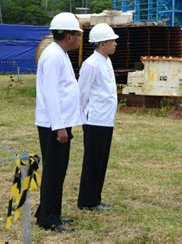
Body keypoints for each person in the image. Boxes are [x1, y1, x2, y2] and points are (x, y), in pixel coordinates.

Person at [35, 12, 83, 232]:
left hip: (59, 122)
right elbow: (51, 94)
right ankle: (49, 218)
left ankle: (50, 211)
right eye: (78, 34)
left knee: (58, 170)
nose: (80, 39)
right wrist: (59, 127)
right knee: (54, 171)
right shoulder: (53, 56)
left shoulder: (59, 53)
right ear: (69, 35)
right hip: (54, 125)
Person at [77, 23, 119, 211]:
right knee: (92, 161)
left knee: (101, 161)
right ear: (103, 43)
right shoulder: (91, 64)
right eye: (112, 41)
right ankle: (87, 200)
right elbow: (82, 94)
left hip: (106, 120)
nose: (115, 44)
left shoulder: (106, 61)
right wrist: (82, 118)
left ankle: (96, 197)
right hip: (94, 120)